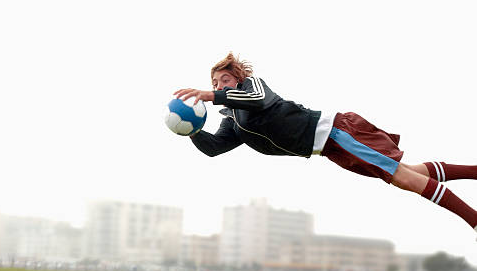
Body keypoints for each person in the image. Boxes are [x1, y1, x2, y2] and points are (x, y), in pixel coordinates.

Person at [174, 52, 477, 235]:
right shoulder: (233, 120)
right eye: (214, 84)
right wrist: (191, 129)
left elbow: (257, 100)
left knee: (401, 178)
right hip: (328, 149)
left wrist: (210, 96)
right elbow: (214, 147)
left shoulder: (253, 87)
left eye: (223, 81)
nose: (217, 87)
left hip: (336, 132)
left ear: (237, 78)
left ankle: (474, 221)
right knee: (408, 172)